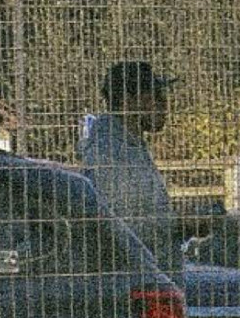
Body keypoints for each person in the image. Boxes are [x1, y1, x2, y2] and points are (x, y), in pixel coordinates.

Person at [78, 58, 181, 274]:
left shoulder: (130, 145)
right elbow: (124, 228)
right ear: (128, 101)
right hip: (134, 281)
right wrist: (184, 223)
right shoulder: (109, 153)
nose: (164, 104)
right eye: (155, 96)